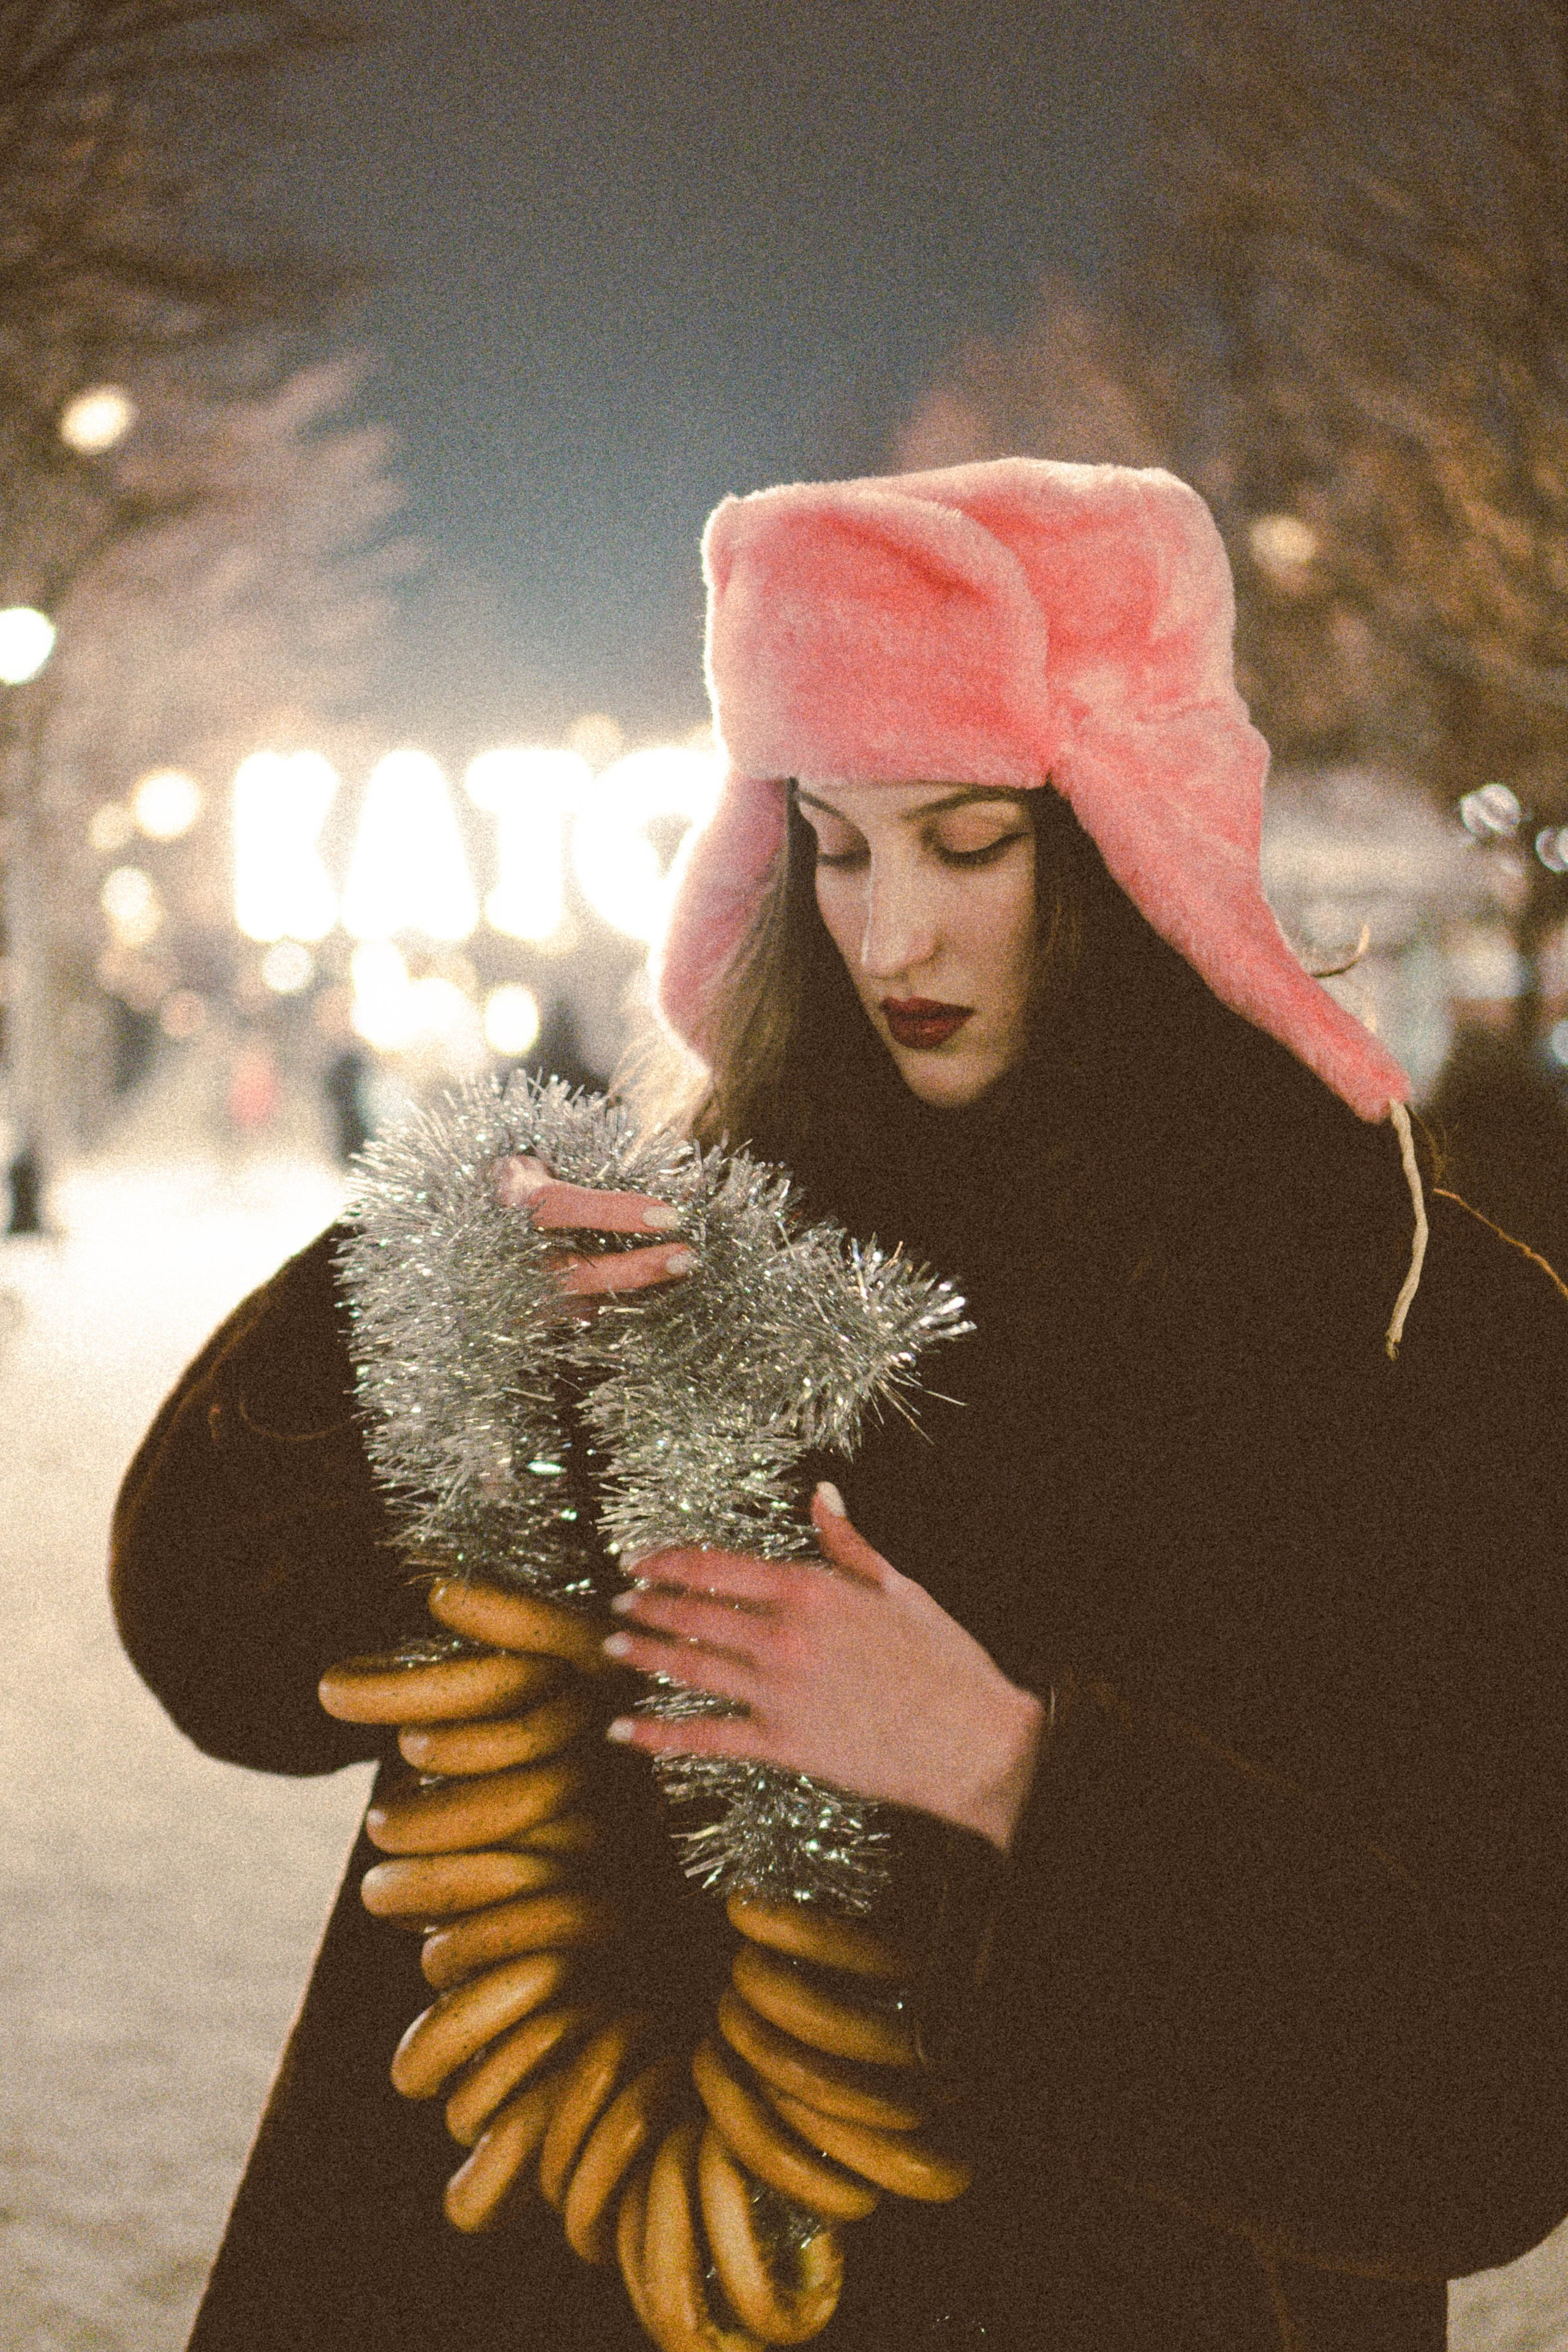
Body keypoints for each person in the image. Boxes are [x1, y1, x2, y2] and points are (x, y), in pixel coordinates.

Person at [111, 459, 1568, 2352]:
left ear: (1134, 842)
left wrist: (1013, 1774)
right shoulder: (668, 1248)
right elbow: (223, 1661)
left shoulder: (1403, 1332)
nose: (893, 940)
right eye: (839, 845)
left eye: (971, 845)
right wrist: (403, 1302)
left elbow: (1480, 2105)